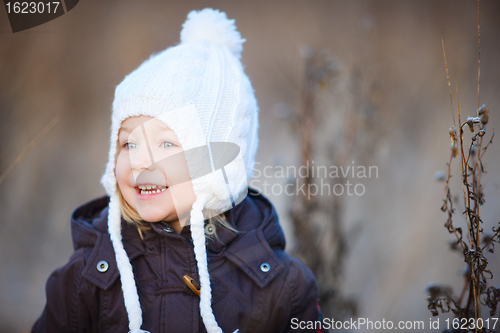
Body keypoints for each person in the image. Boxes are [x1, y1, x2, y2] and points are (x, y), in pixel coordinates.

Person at [32, 8, 326, 333]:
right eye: (129, 144)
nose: (141, 162)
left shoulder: (280, 287)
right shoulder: (87, 277)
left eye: (167, 145)